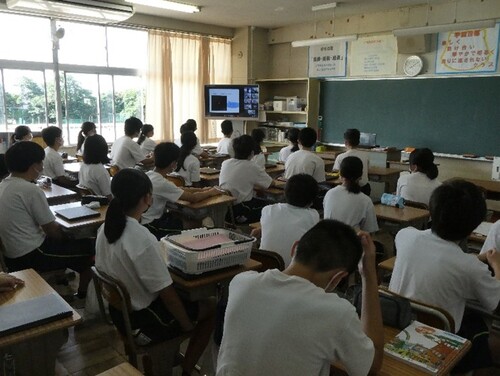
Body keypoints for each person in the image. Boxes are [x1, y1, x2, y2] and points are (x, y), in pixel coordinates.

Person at [217, 220, 384, 376]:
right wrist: (368, 274)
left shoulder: (241, 282)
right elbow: (372, 365)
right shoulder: (336, 313)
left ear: (294, 247)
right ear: (337, 278)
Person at [95, 168, 215, 376]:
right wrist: (186, 325)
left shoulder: (104, 228)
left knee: (187, 299)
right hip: (144, 319)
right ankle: (187, 370)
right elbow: (167, 293)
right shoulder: (140, 236)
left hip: (120, 313)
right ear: (147, 198)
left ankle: (168, 359)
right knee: (211, 307)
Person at [389, 180, 500, 373]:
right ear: (474, 225)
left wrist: (478, 258)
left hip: (397, 322)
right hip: (438, 340)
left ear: (432, 211)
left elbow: (440, 255)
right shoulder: (470, 268)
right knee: (478, 324)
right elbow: (498, 302)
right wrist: (497, 265)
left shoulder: (405, 236)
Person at [0, 141, 94, 298]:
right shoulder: (30, 190)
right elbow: (51, 230)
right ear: (34, 166)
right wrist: (69, 238)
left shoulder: (3, 186)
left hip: (12, 256)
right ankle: (82, 296)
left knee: (74, 246)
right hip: (34, 253)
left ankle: (63, 277)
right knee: (90, 247)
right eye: (41, 162)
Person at [142, 142, 223, 240]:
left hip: (147, 220)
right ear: (173, 164)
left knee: (180, 216)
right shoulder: (162, 183)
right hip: (151, 226)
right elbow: (193, 199)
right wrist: (212, 192)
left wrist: (202, 190)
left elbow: (179, 189)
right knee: (195, 224)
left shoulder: (150, 175)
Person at [255, 174, 320, 266]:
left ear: (285, 192)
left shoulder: (268, 210)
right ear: (312, 201)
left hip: (266, 264)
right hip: (294, 270)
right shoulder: (312, 215)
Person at [219, 135, 273, 223]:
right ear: (252, 152)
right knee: (272, 207)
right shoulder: (251, 166)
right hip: (242, 210)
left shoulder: (225, 163)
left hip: (226, 210)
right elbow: (270, 184)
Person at [323, 156, 378, 233]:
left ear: (340, 174)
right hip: (349, 242)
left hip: (327, 239)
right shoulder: (365, 200)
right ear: (361, 176)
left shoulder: (329, 193)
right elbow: (369, 231)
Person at [332, 128, 370, 196]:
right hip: (364, 189)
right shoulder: (365, 156)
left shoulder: (340, 157)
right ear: (358, 142)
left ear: (346, 142)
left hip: (347, 190)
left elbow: (336, 174)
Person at [79, 134, 112, 199]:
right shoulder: (100, 170)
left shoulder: (83, 165)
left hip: (89, 202)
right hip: (102, 204)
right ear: (103, 149)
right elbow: (108, 196)